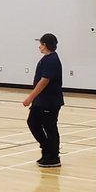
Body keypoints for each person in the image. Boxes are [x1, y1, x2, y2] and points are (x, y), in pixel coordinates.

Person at [23, 33, 64, 168]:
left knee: (49, 127)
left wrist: (30, 97)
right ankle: (46, 149)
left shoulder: (51, 60)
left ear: (45, 45)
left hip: (49, 101)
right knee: (33, 122)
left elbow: (44, 80)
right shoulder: (46, 59)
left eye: (41, 44)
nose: (39, 47)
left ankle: (53, 156)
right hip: (41, 101)